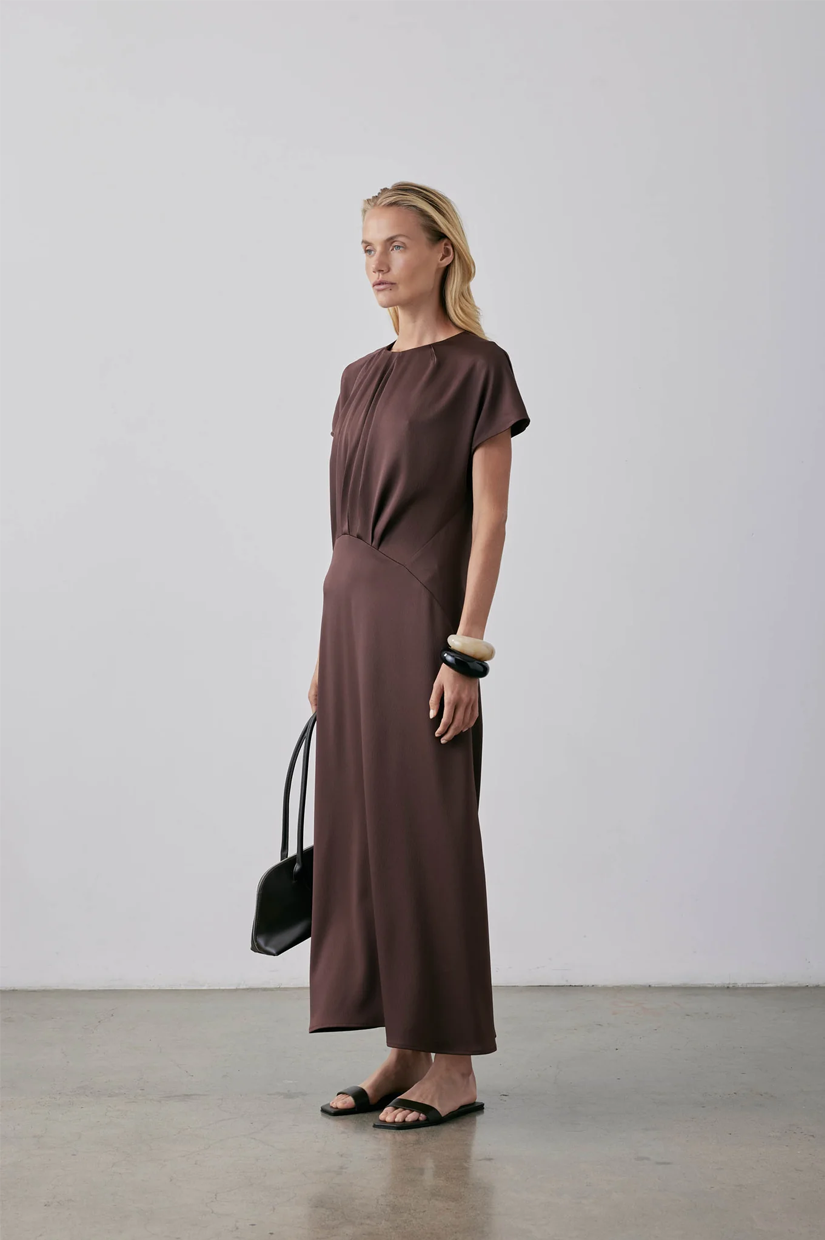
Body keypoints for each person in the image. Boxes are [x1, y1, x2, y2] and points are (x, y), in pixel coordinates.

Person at [307, 181, 530, 1130]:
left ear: (444, 252)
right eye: (366, 248)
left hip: (421, 624)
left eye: (396, 245)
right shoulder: (357, 375)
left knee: (430, 837)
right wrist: (324, 649)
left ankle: (455, 1067)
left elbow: (490, 520)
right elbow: (342, 525)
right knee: (362, 837)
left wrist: (465, 652)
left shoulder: (478, 367)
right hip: (348, 622)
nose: (377, 264)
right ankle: (403, 1049)